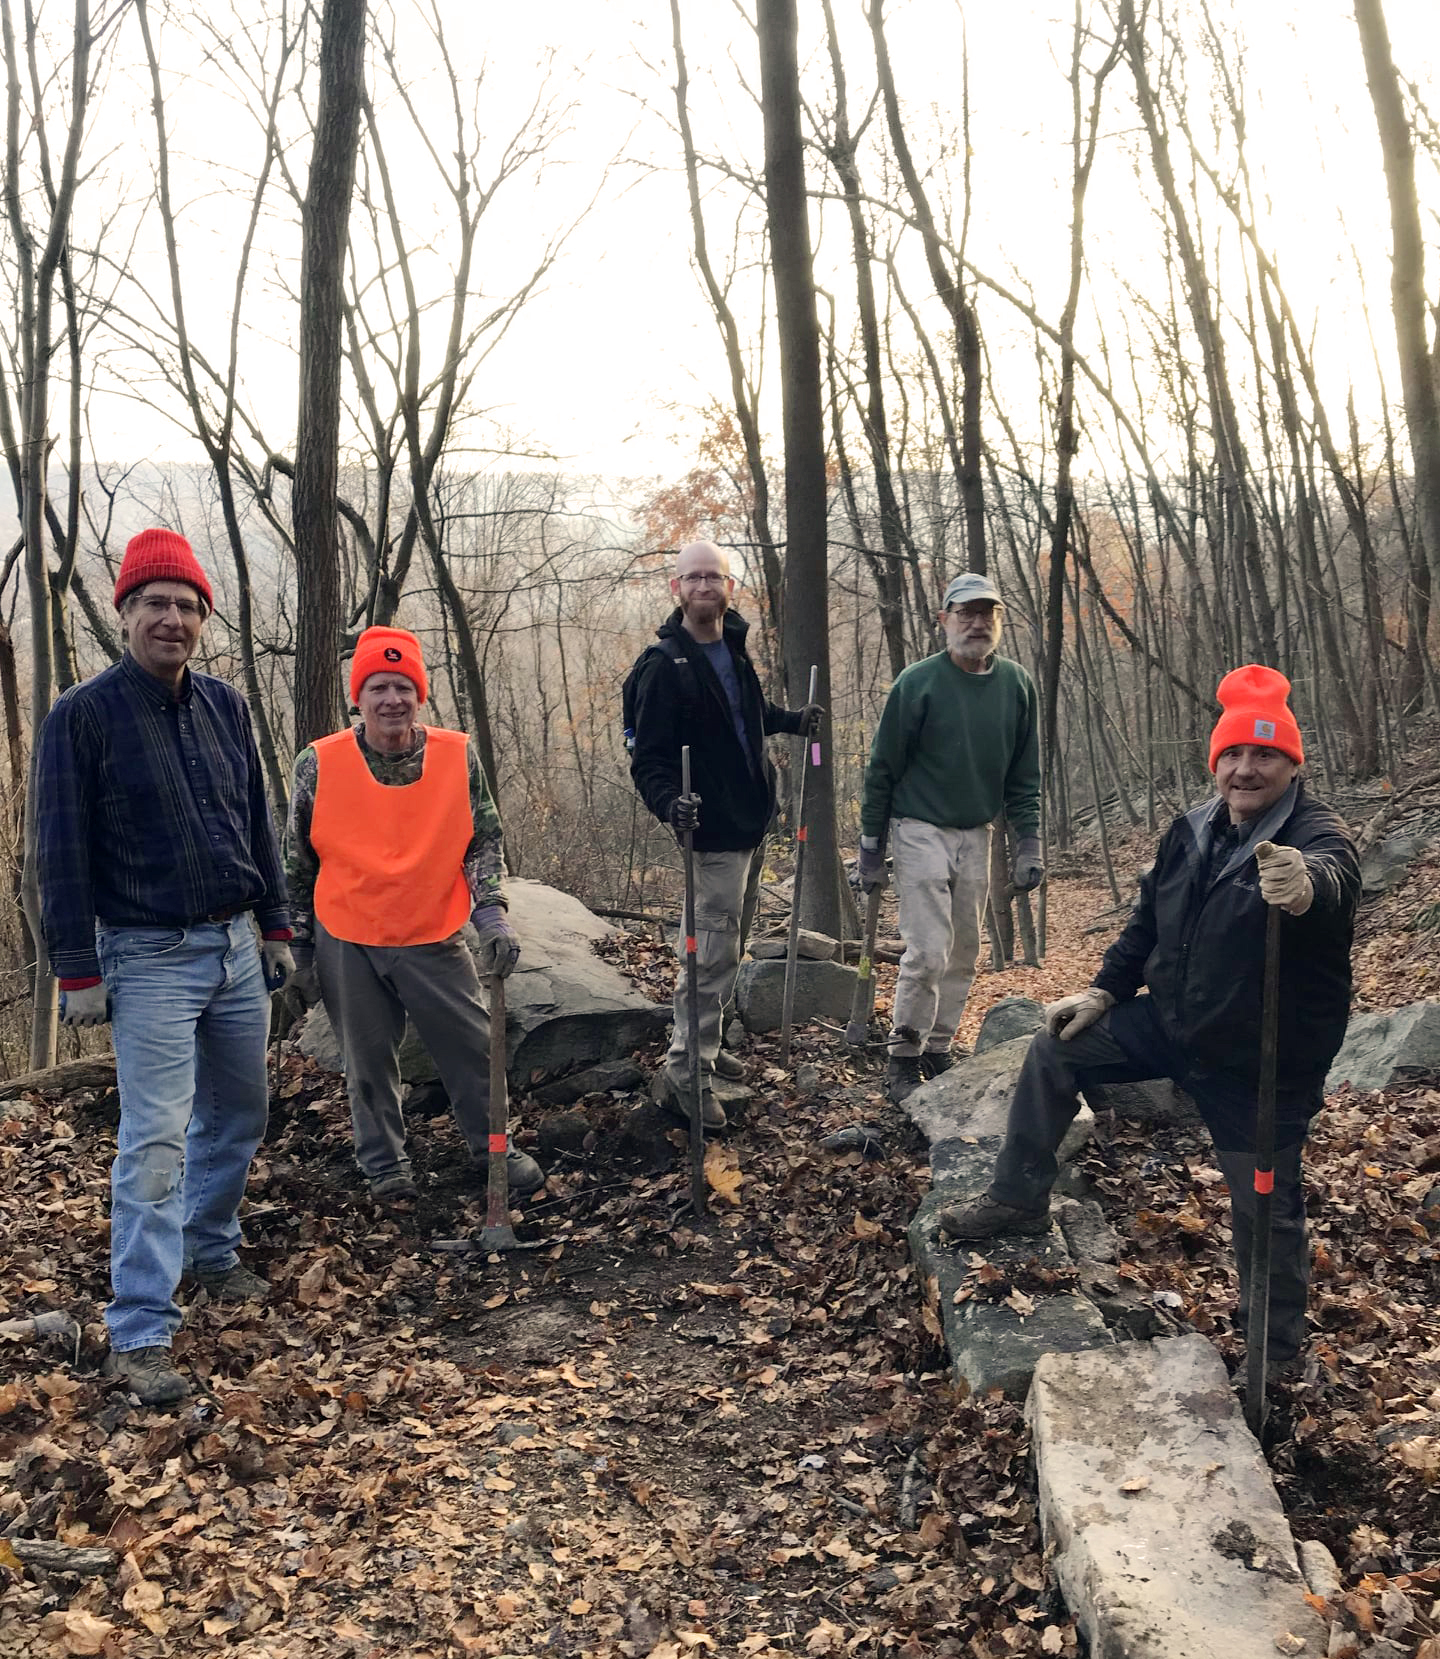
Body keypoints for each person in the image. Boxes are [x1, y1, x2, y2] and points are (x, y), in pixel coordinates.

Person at [939, 665, 1359, 1378]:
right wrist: (1104, 992)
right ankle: (1017, 1197)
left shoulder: (1318, 834)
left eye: (1264, 755)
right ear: (1216, 761)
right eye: (1233, 754)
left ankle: (1277, 1356)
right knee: (1055, 1048)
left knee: (1266, 1208)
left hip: (1261, 1061)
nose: (1246, 768)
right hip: (1171, 1022)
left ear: (1292, 764)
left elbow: (1335, 878)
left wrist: (1305, 886)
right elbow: (1145, 926)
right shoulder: (1191, 829)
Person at [34, 528, 294, 1406]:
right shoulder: (82, 715)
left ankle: (209, 1248)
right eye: (156, 603)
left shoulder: (224, 705)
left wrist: (276, 923)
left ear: (202, 616)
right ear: (125, 613)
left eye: (186, 605)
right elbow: (60, 849)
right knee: (153, 1137)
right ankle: (140, 1326)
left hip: (233, 947)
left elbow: (255, 818)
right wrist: (76, 968)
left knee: (243, 1109)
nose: (172, 619)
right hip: (145, 956)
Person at [282, 625, 542, 1203]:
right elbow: (297, 861)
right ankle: (384, 1165)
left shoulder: (457, 754)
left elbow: (484, 840)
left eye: (402, 685)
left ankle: (493, 1147)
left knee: (472, 1047)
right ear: (359, 696)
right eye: (378, 686)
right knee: (368, 1061)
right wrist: (298, 948)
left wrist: (491, 912)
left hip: (431, 931)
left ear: (419, 692)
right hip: (347, 934)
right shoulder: (317, 763)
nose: (391, 699)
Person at [628, 541, 821, 1130]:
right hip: (709, 833)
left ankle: (703, 1046)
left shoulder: (733, 648)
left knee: (722, 947)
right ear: (676, 588)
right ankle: (687, 1071)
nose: (705, 586)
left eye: (714, 576)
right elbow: (648, 758)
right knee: (709, 955)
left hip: (748, 822)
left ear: (728, 587)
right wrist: (670, 804)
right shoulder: (663, 665)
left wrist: (791, 723)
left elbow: (746, 716)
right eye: (694, 577)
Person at [858, 571, 1043, 1105]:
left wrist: (1028, 843)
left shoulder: (1016, 685)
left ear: (999, 622)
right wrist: (871, 847)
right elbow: (882, 768)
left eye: (988, 613)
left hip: (976, 830)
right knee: (930, 949)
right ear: (944, 620)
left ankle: (939, 1047)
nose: (978, 623)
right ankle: (903, 1053)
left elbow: (1023, 776)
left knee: (965, 948)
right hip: (918, 827)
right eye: (966, 613)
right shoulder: (918, 683)